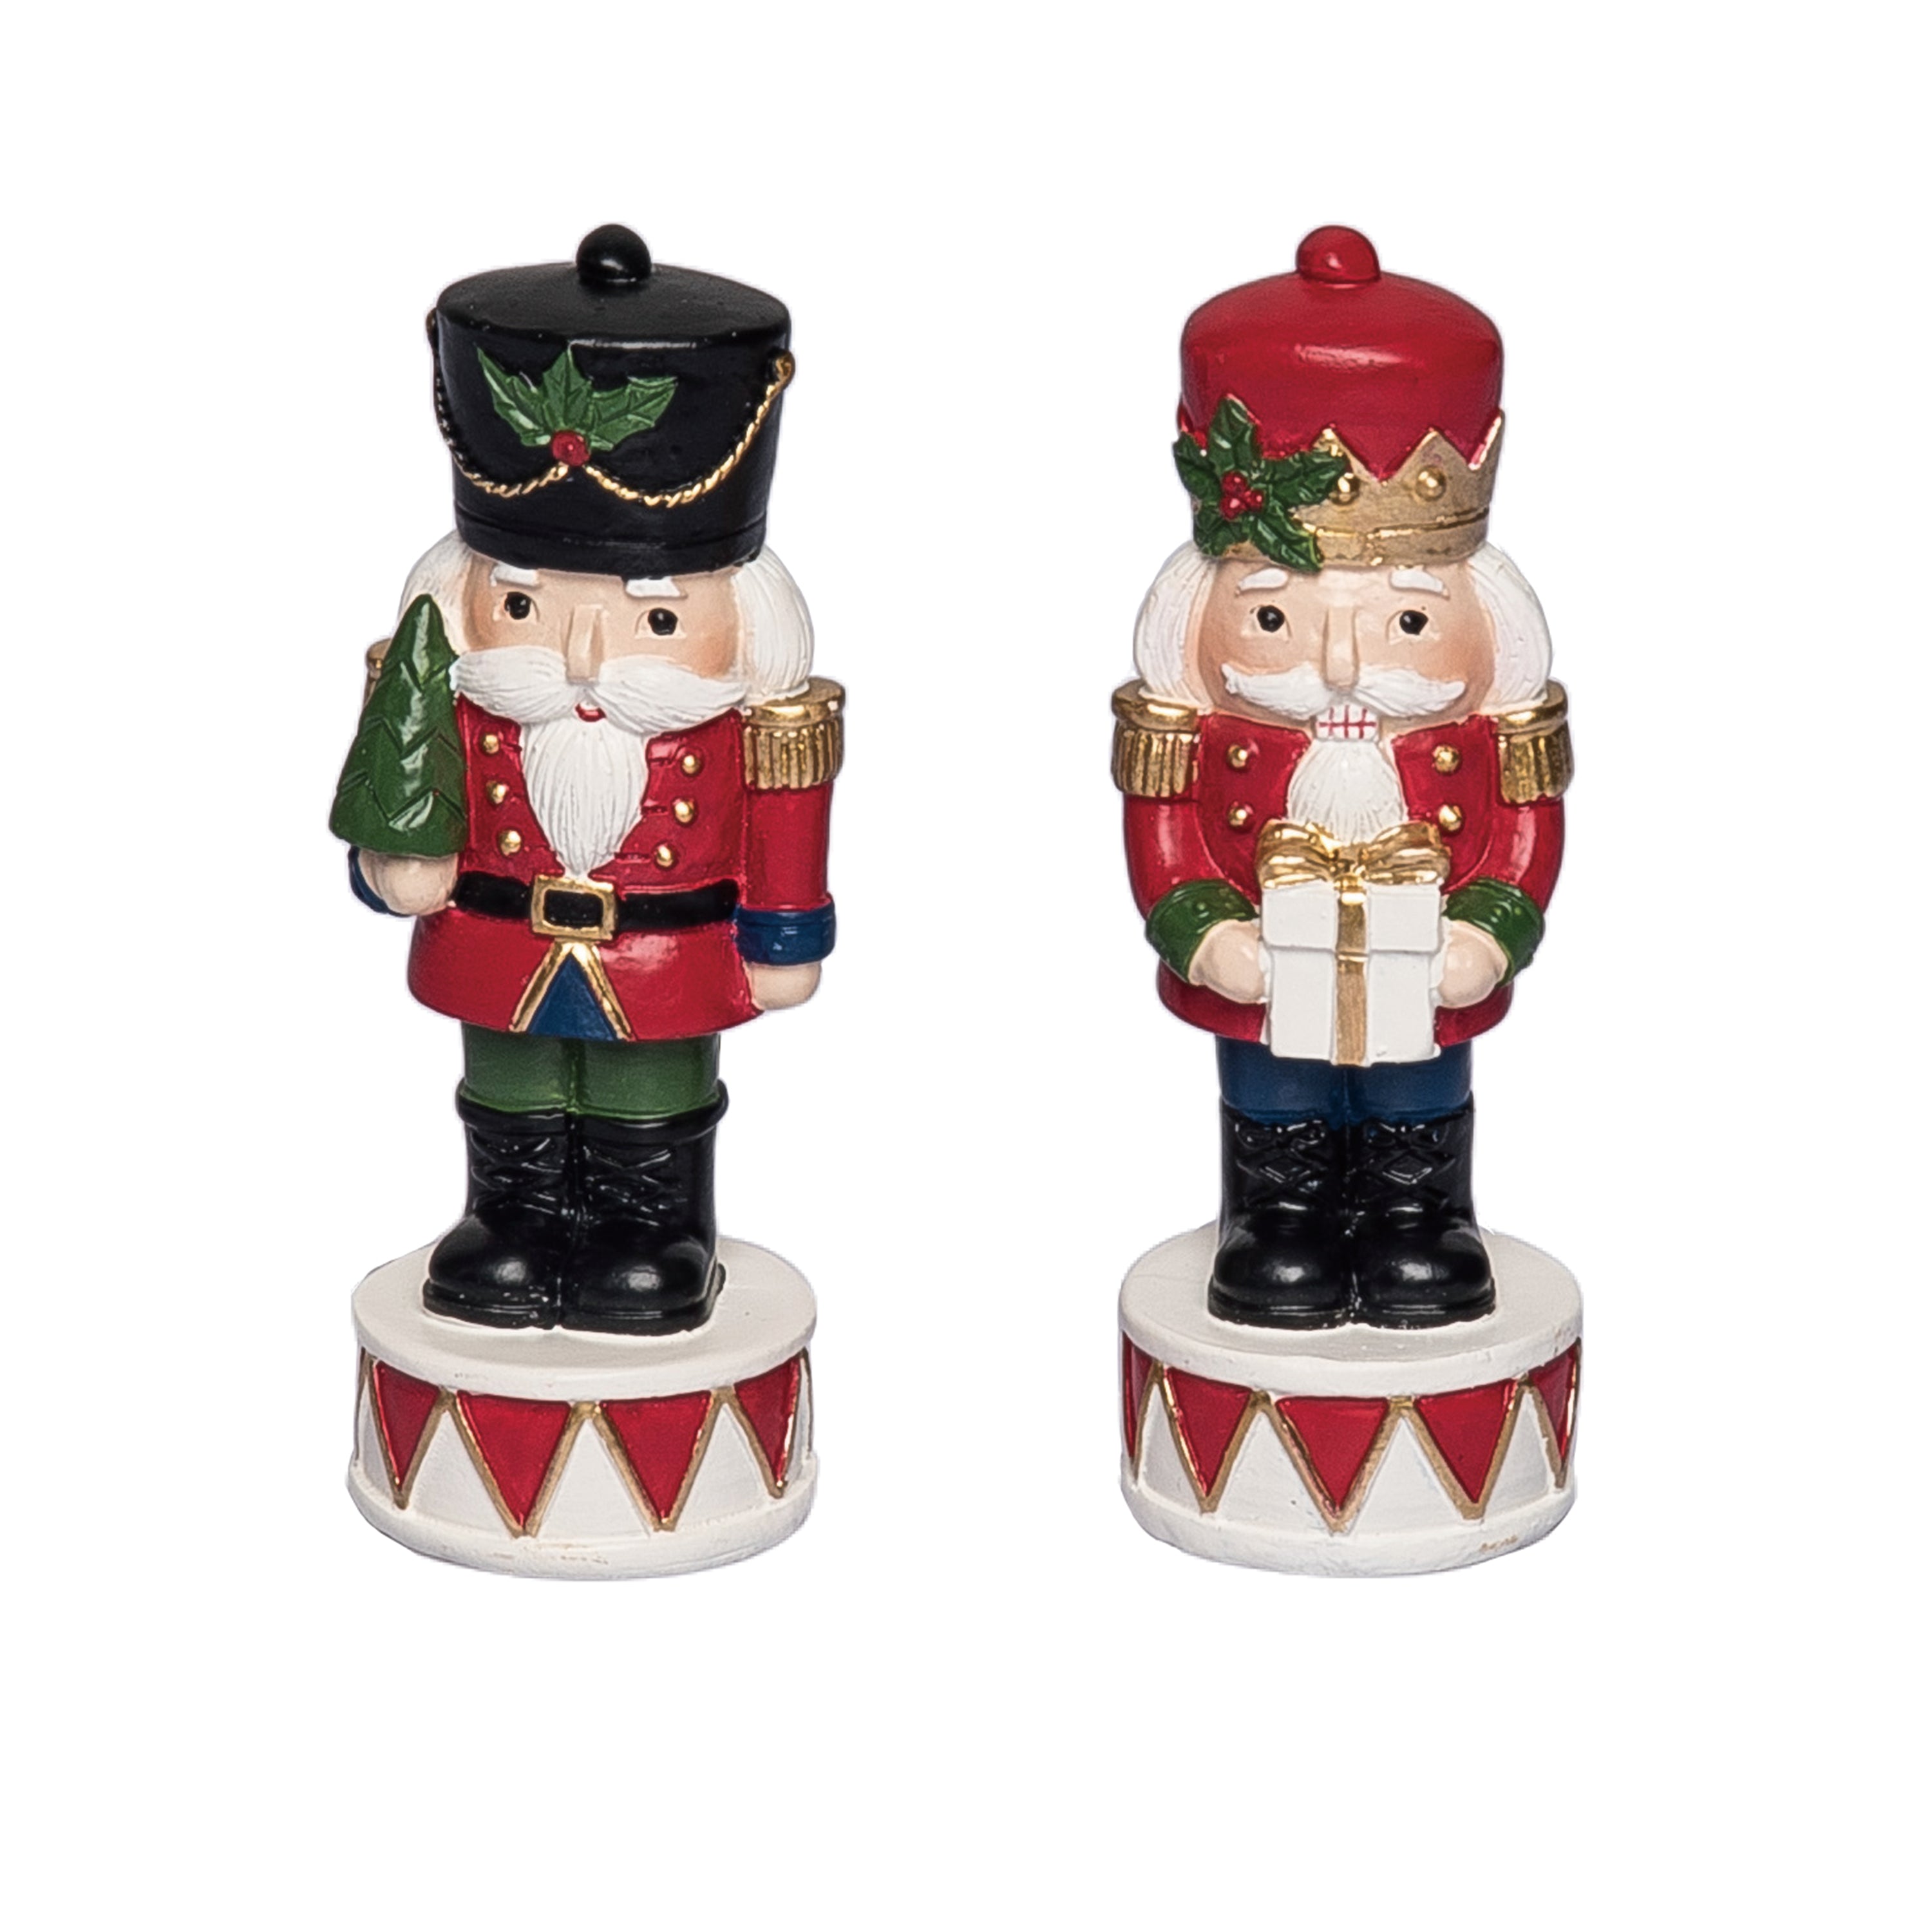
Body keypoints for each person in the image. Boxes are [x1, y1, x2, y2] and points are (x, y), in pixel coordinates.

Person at [1113, 227, 1568, 1331]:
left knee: (1420, 1077)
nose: (1342, 665)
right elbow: (1164, 841)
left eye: (1408, 622)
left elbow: (1526, 839)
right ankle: (1278, 1213)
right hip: (1267, 963)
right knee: (1276, 1081)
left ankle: (1419, 1214)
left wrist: (1491, 932)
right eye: (1274, 619)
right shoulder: (1200, 736)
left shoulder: (1486, 740)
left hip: (1425, 969)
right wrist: (1203, 932)